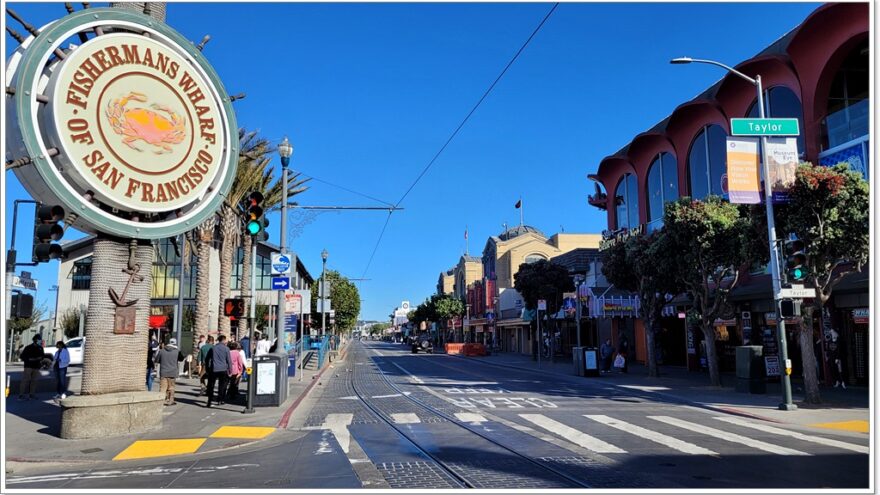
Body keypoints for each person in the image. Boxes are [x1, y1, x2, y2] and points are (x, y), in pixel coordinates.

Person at [154, 338, 185, 406]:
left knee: (163, 388)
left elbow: (156, 360)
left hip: (163, 372)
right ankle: (171, 400)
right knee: (171, 387)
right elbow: (181, 359)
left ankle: (161, 401)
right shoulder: (177, 351)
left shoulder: (162, 351)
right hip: (173, 372)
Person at [206, 335, 231, 407]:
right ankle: (220, 400)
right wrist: (230, 370)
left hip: (214, 369)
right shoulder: (226, 349)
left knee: (211, 385)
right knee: (222, 385)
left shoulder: (213, 348)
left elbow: (207, 359)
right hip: (223, 369)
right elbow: (229, 360)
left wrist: (207, 369)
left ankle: (209, 400)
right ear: (223, 340)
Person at [19, 335, 45, 400]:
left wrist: (41, 360)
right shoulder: (28, 347)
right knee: (25, 380)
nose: (40, 341)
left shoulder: (40, 348)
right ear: (35, 340)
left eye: (40, 339)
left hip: (36, 367)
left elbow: (42, 356)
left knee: (34, 381)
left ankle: (32, 394)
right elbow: (22, 356)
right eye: (39, 339)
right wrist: (30, 359)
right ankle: (21, 395)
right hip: (28, 366)